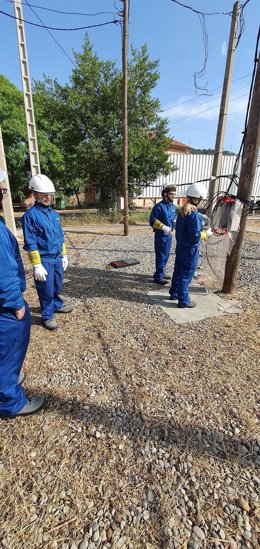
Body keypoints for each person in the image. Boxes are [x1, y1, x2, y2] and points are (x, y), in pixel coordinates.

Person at [0, 183, 44, 417]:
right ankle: (10, 402)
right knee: (10, 347)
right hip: (5, 307)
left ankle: (6, 377)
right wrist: (16, 303)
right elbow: (3, 272)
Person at [22, 174, 73, 331]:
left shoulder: (54, 214)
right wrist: (36, 264)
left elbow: (60, 236)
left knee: (57, 285)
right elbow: (31, 243)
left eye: (50, 194)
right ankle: (47, 315)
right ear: (35, 194)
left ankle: (57, 305)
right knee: (46, 289)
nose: (48, 197)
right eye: (43, 194)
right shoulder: (30, 216)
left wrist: (64, 255)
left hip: (57, 258)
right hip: (45, 260)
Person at [169, 182, 212, 308]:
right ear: (197, 198)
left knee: (178, 271)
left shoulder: (183, 211)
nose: (201, 201)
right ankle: (183, 300)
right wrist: (206, 234)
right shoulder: (193, 214)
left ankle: (174, 293)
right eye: (201, 199)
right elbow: (194, 236)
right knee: (186, 273)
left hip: (181, 247)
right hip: (190, 250)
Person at [149, 182, 176, 284]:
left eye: (174, 194)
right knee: (161, 255)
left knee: (166, 254)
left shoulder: (172, 206)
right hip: (161, 235)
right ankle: (158, 277)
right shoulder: (158, 207)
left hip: (168, 235)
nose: (173, 196)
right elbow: (152, 221)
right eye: (171, 194)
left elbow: (172, 220)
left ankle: (161, 271)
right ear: (165, 194)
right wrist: (163, 227)